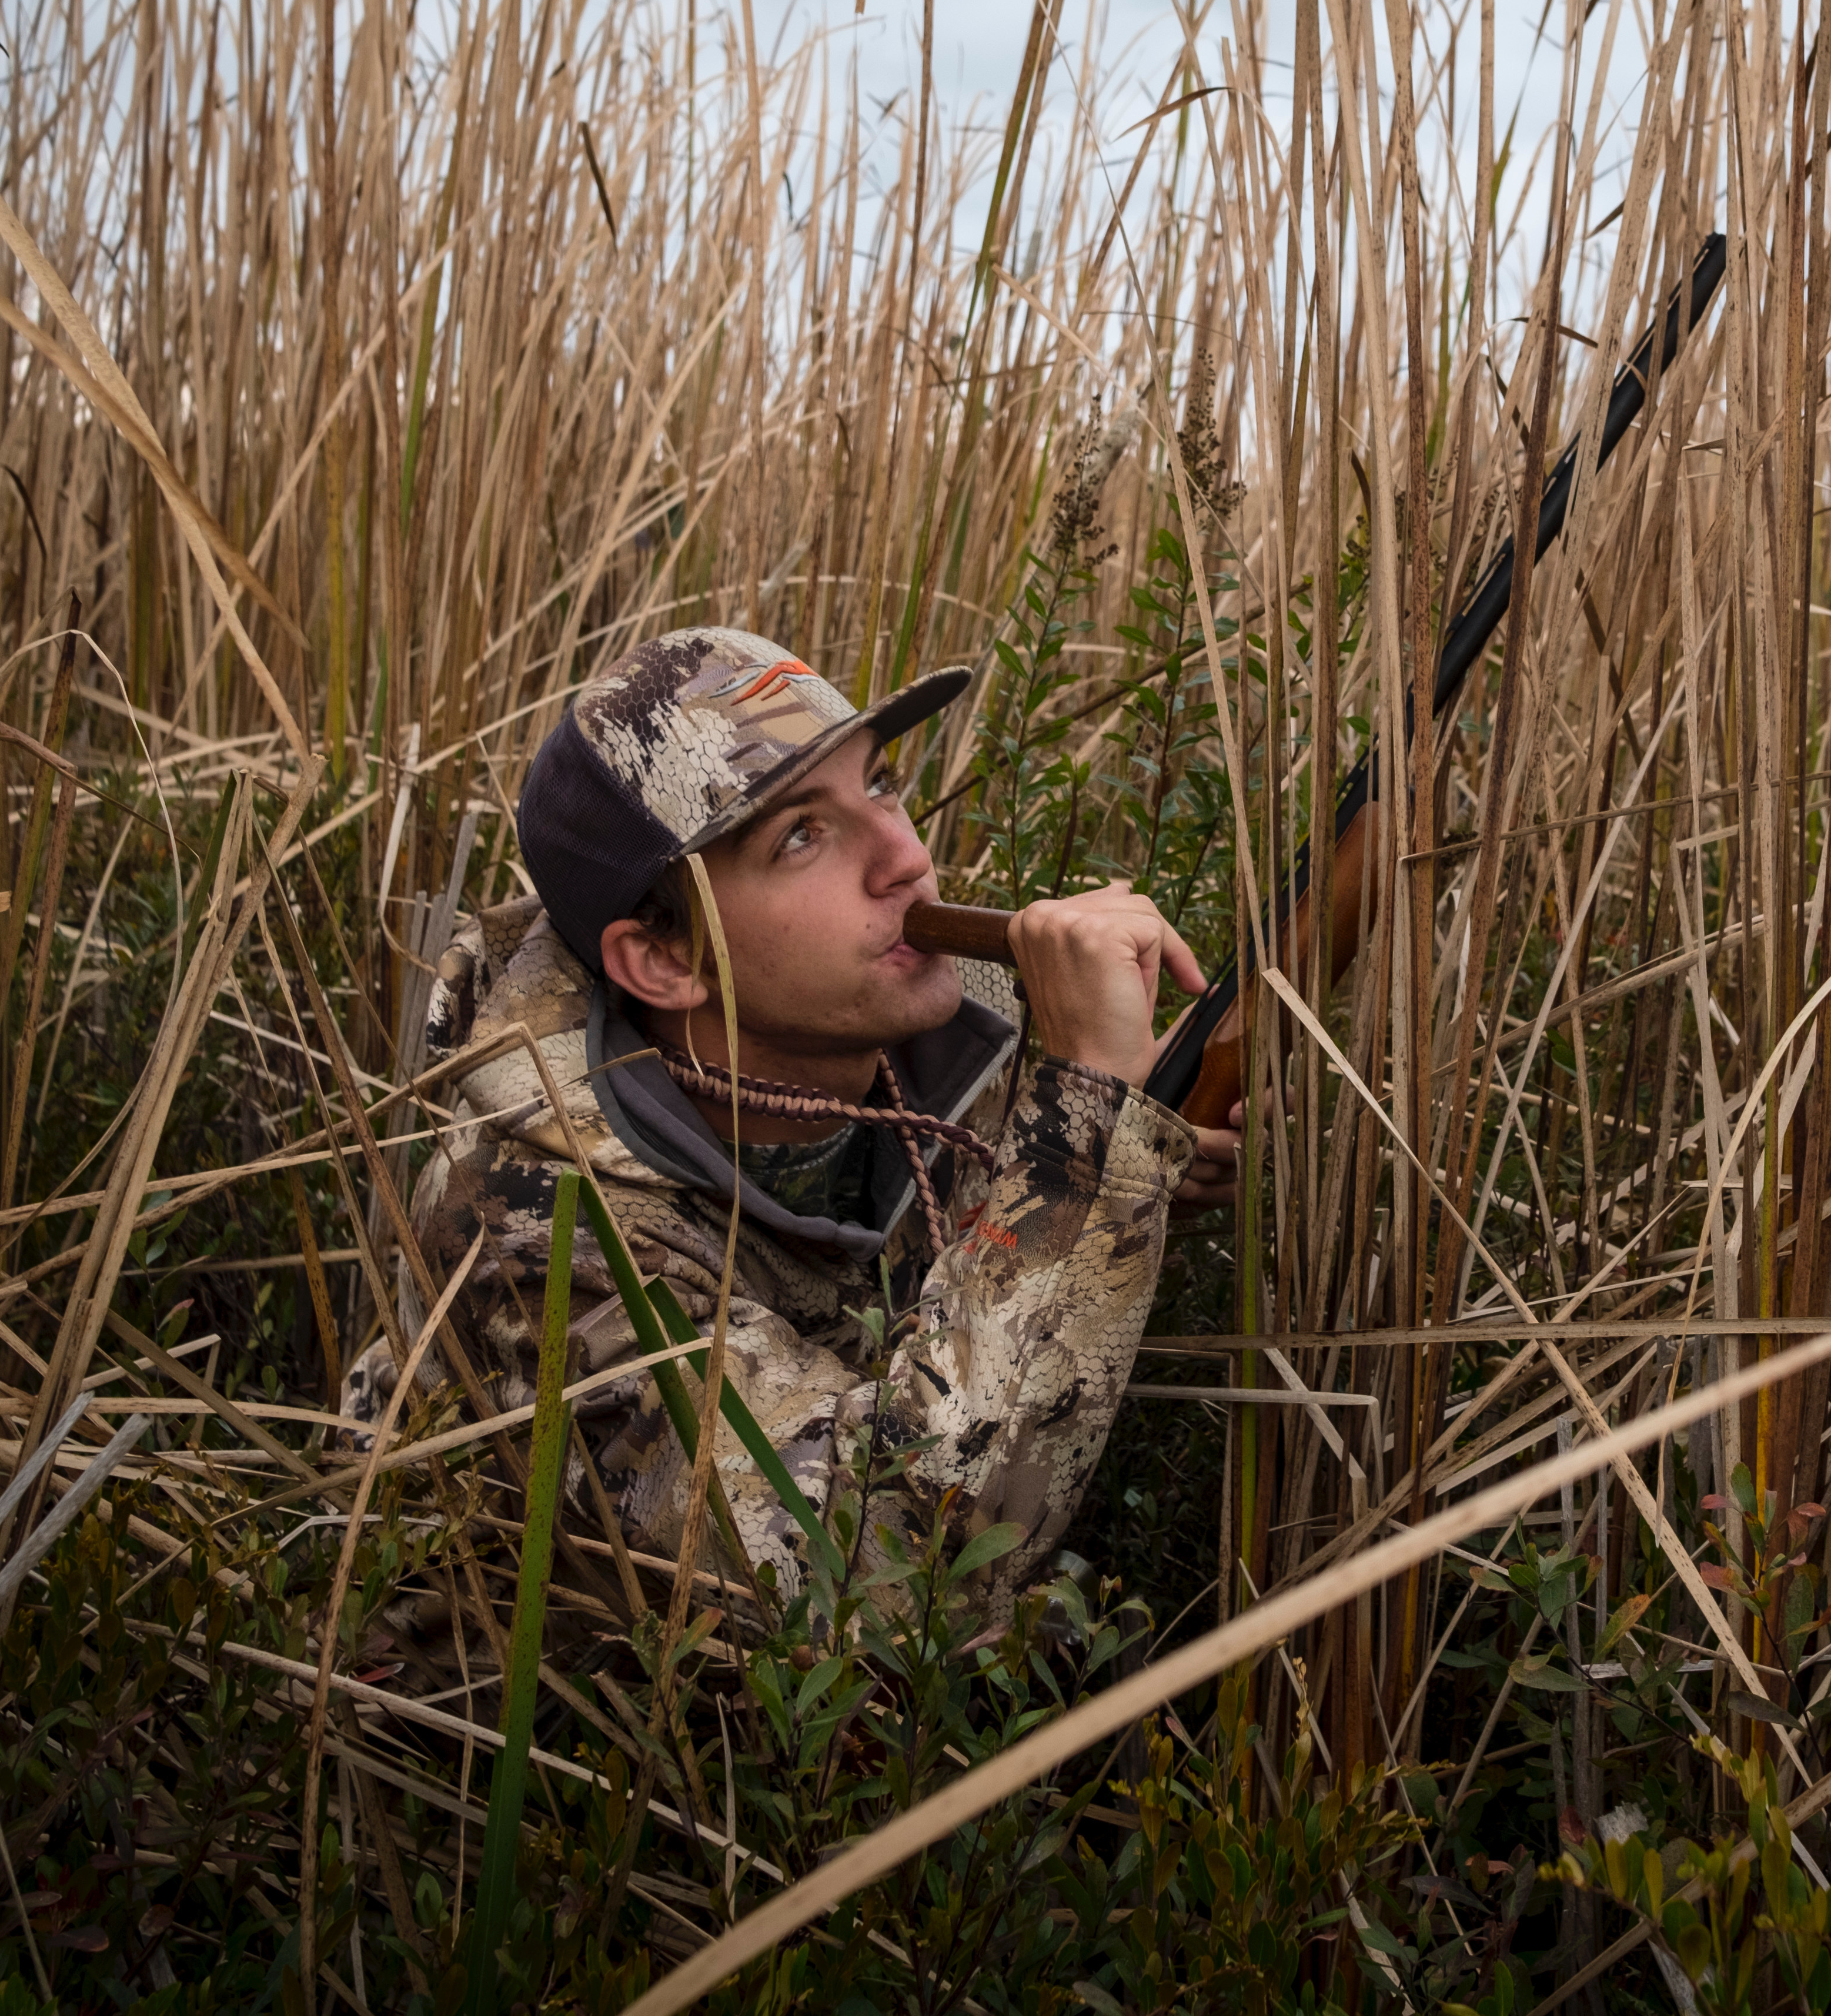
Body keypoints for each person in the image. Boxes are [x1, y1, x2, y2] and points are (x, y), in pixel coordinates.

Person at [339, 626, 1238, 1616]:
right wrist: (1078, 1134)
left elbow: (995, 1268)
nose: (905, 858)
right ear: (667, 961)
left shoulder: (937, 1027)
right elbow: (885, 1571)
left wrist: (1129, 1168)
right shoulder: (529, 1245)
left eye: (884, 785)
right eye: (802, 835)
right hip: (575, 1754)